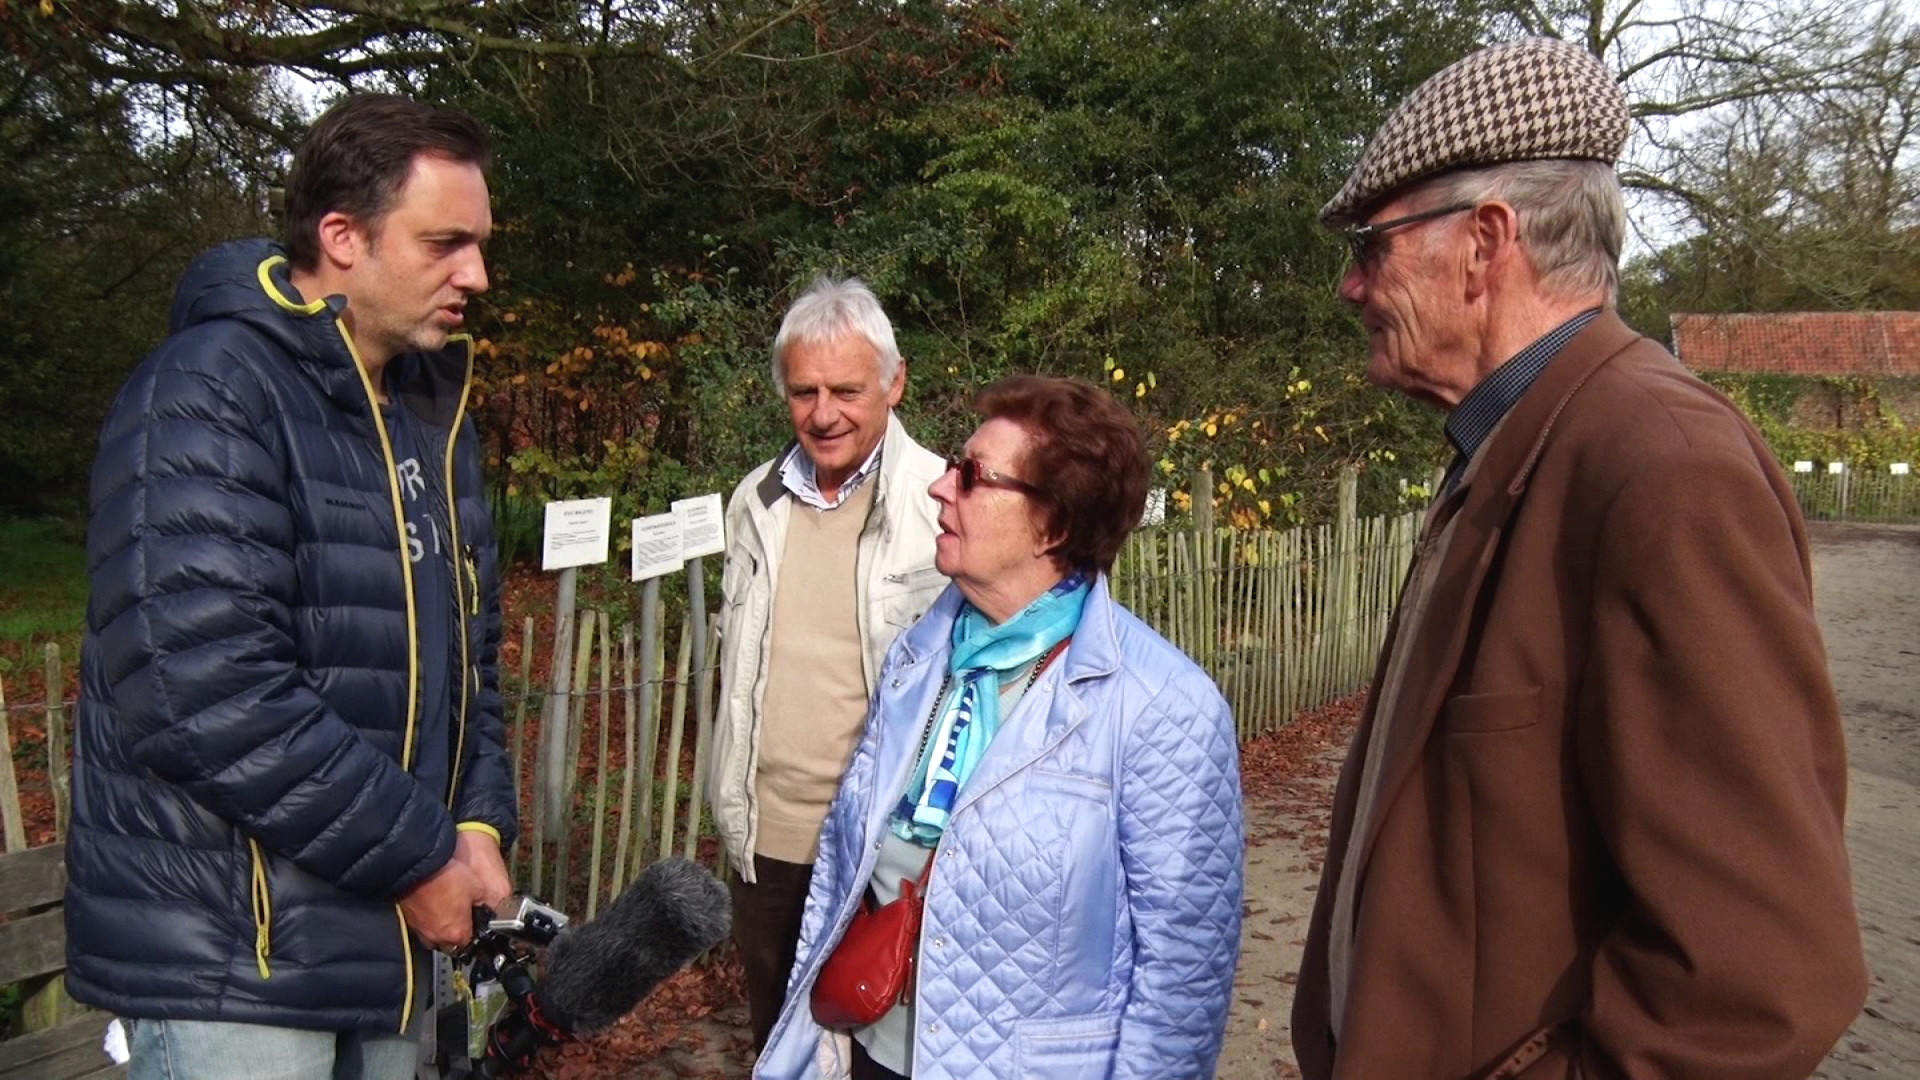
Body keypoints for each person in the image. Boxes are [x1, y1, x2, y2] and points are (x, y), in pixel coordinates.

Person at [1291, 39, 1867, 1080]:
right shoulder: (1518, 448)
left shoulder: (1660, 466)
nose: (1350, 286)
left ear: (1486, 241)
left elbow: (1755, 982)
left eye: (1373, 246)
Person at [65, 94, 517, 1080]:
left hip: (389, 953)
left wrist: (478, 825)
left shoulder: (432, 415)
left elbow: (471, 663)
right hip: (236, 966)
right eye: (445, 242)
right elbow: (201, 691)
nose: (475, 275)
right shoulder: (208, 389)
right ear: (341, 235)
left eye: (478, 245)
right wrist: (421, 857)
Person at [756, 375, 1245, 1080]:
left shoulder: (1163, 706)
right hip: (867, 1050)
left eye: (972, 476)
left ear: (1055, 523)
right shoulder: (919, 657)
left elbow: (1182, 981)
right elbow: (842, 875)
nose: (940, 488)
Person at [709, 276, 949, 1052]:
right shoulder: (755, 502)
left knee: (886, 1047)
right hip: (770, 840)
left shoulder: (943, 503)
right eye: (804, 391)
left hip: (891, 844)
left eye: (846, 389)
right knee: (780, 1044)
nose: (823, 413)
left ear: (895, 380)